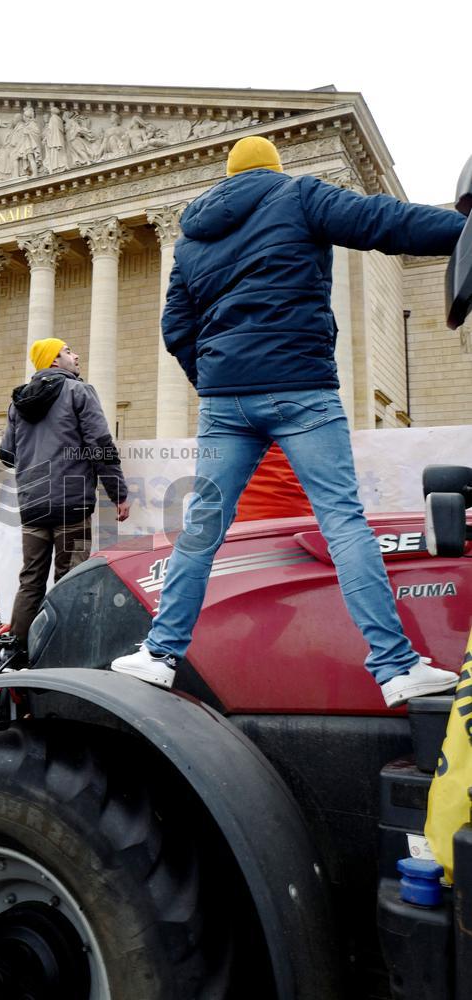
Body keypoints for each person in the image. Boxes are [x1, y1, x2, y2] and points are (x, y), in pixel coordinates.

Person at [111, 135, 465, 708]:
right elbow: (383, 222)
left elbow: (176, 327)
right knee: (343, 521)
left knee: (203, 527)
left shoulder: (193, 239)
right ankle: (396, 666)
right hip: (301, 387)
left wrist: (216, 379)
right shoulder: (298, 195)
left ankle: (159, 653)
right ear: (274, 168)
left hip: (227, 399)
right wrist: (461, 229)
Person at [0, 337, 130, 651]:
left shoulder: (18, 401)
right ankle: (65, 647)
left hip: (32, 505)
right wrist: (118, 492)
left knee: (30, 580)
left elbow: (6, 454)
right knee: (72, 577)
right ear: (54, 361)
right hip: (71, 502)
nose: (76, 355)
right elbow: (101, 444)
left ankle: (17, 649)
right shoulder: (78, 391)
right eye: (68, 351)